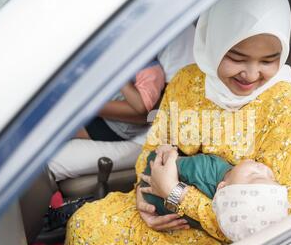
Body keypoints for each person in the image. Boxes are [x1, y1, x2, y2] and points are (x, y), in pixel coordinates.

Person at [63, 0, 291, 245]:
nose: (250, 74)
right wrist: (145, 198)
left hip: (226, 238)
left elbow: (264, 221)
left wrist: (177, 196)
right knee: (84, 228)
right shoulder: (187, 81)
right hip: (162, 207)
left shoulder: (287, 110)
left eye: (268, 61)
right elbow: (152, 148)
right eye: (236, 57)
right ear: (214, 39)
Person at [48, 25, 196, 182]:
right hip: (112, 118)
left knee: (54, 146)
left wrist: (82, 106)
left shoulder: (152, 68)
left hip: (124, 129)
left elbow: (144, 110)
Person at [140, 145, 291, 240]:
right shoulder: (230, 212)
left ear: (222, 188)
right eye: (272, 178)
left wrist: (169, 152)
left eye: (254, 175)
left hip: (152, 192)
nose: (264, 169)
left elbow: (167, 165)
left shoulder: (204, 168)